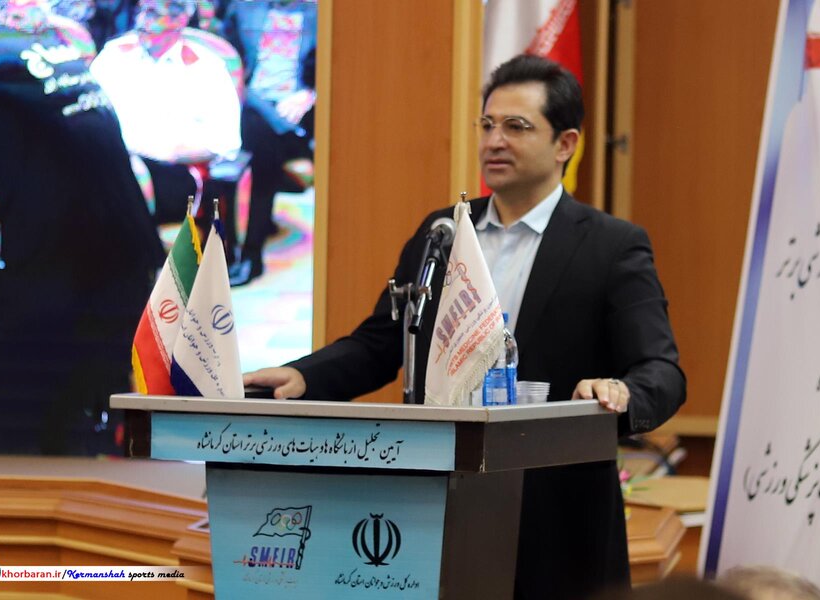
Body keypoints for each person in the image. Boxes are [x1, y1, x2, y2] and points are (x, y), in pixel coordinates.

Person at [244, 55, 686, 599]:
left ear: (565, 144)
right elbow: (382, 341)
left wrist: (620, 391)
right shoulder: (445, 232)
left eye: (516, 126)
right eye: (488, 125)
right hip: (438, 505)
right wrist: (303, 376)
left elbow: (662, 370)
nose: (494, 141)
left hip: (557, 518)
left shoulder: (611, 246)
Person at [0, 0, 164, 454]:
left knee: (19, 443)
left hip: (58, 273)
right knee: (93, 414)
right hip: (129, 255)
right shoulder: (52, 51)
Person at [90, 0, 244, 246]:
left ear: (180, 19)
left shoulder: (206, 66)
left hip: (175, 169)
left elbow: (225, 142)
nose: (141, 20)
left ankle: (139, 259)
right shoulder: (113, 54)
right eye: (141, 10)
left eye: (152, 13)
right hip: (113, 160)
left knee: (124, 179)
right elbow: (89, 111)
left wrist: (167, 152)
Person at [222, 0, 317, 285]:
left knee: (260, 147)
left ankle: (248, 255)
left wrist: (311, 93)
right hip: (254, 109)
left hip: (301, 116)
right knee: (260, 140)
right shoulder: (243, 9)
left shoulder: (321, 15)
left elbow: (341, 65)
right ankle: (249, 253)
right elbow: (228, 65)